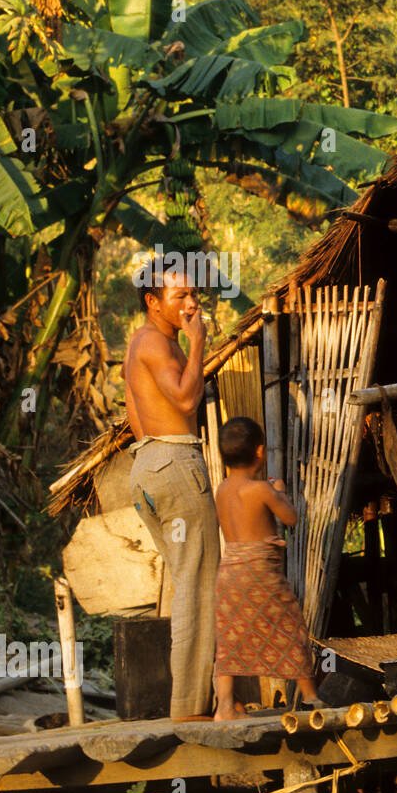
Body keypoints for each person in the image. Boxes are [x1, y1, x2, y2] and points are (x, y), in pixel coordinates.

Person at [124, 259, 220, 720]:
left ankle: (187, 702)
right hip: (176, 460)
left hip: (146, 462)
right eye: (180, 296)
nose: (192, 303)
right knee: (199, 589)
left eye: (193, 294)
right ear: (153, 301)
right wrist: (198, 343)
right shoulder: (158, 343)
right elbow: (184, 399)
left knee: (187, 584)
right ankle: (189, 708)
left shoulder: (138, 345)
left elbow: (134, 417)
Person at [212, 416, 321, 720]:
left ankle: (224, 707)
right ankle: (311, 696)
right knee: (291, 626)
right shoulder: (261, 490)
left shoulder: (221, 490)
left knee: (229, 636)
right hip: (260, 571)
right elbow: (291, 518)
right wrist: (281, 491)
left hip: (230, 571)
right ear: (260, 452)